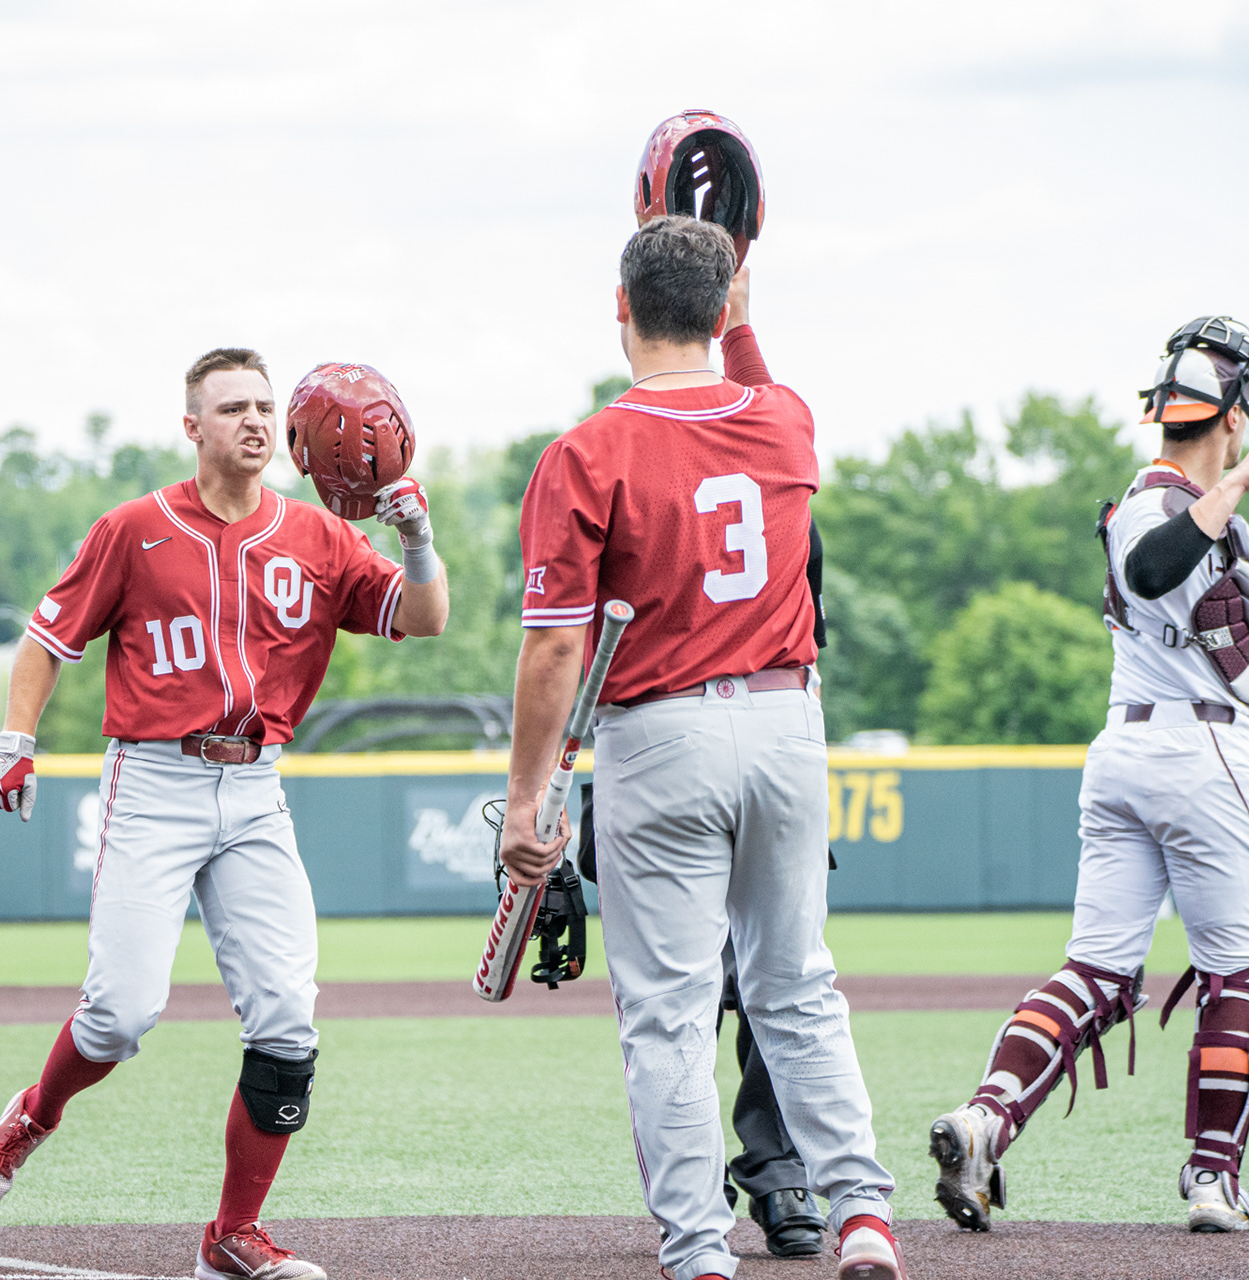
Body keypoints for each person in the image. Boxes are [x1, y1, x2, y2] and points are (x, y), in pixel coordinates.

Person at [0, 347, 448, 1280]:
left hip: (257, 787)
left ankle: (232, 1234)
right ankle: (31, 1118)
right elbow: (47, 637)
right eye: (232, 409)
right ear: (194, 428)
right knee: (118, 1017)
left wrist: (417, 537)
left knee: (288, 1025)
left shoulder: (317, 536)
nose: (256, 422)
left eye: (267, 407)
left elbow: (422, 619)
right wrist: (15, 740)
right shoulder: (135, 529)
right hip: (155, 782)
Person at [500, 216, 903, 1280]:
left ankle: (698, 1250)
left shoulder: (585, 450)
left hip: (661, 730)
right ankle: (863, 1210)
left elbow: (552, 652)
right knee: (797, 981)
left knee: (668, 1011)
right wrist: (743, 307)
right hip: (785, 722)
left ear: (620, 310)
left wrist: (526, 796)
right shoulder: (783, 420)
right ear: (725, 314)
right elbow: (759, 379)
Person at [929, 316, 1249, 1235]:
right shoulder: (1163, 505)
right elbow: (1154, 568)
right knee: (1238, 975)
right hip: (1199, 753)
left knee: (1101, 974)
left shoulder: (1181, 507)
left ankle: (986, 1120)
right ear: (1231, 416)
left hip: (1125, 754)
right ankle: (1214, 1179)